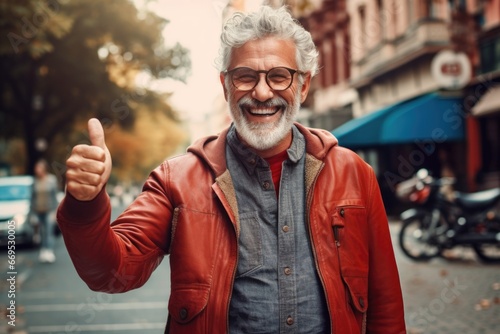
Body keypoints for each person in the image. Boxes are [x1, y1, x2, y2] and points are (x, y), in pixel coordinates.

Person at [57, 6, 406, 333]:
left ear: (303, 84)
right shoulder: (176, 181)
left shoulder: (354, 173)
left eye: (279, 76)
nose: (262, 91)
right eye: (245, 76)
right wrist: (85, 204)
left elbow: (385, 304)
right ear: (225, 84)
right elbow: (111, 272)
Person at [32, 159, 58, 263]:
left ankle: (49, 251)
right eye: (36, 168)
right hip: (38, 210)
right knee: (41, 232)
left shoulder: (51, 180)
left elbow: (54, 196)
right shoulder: (35, 181)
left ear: (44, 169)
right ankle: (43, 250)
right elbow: (32, 198)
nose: (37, 170)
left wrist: (55, 211)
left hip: (49, 210)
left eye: (39, 168)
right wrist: (32, 213)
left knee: (48, 231)